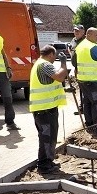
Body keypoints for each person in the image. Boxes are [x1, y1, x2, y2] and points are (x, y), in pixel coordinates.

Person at [29, 45, 69, 173]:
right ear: (51, 54)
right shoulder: (45, 65)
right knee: (47, 137)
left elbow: (51, 82)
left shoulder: (38, 64)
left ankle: (48, 161)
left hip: (45, 109)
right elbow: (59, 76)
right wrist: (63, 63)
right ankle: (44, 165)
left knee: (50, 137)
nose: (55, 58)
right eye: (55, 55)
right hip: (44, 110)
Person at [72, 27, 97, 133]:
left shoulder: (80, 46)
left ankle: (89, 124)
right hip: (92, 81)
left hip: (82, 80)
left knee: (87, 103)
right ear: (88, 35)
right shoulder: (93, 47)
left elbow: (74, 62)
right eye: (96, 35)